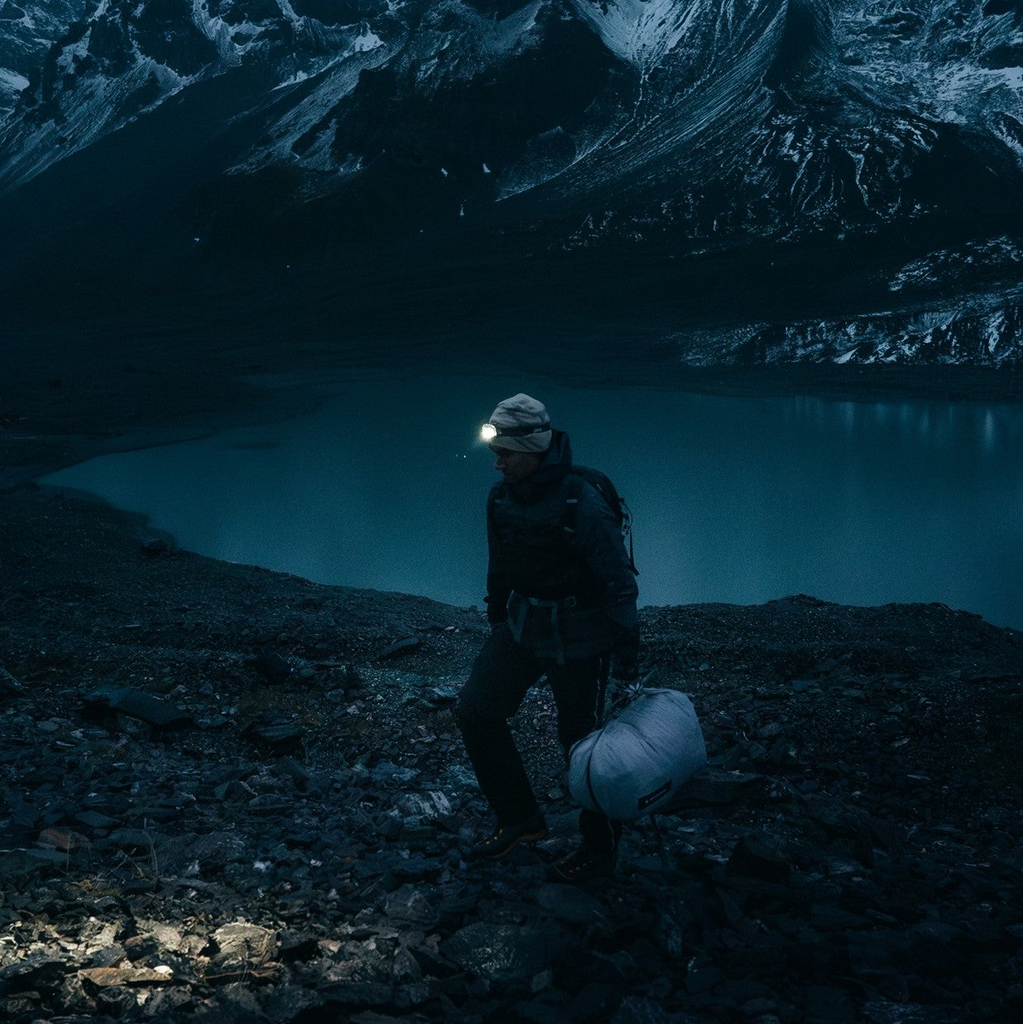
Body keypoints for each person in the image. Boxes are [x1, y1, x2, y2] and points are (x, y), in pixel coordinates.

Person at [455, 393, 640, 882]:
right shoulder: (501, 497)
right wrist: (498, 614)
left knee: (583, 747)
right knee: (476, 710)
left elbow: (617, 579)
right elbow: (500, 561)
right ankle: (520, 821)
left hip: (582, 639)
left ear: (532, 448)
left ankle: (599, 855)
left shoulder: (582, 499)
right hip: (522, 627)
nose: (497, 466)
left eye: (505, 455)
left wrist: (626, 653)